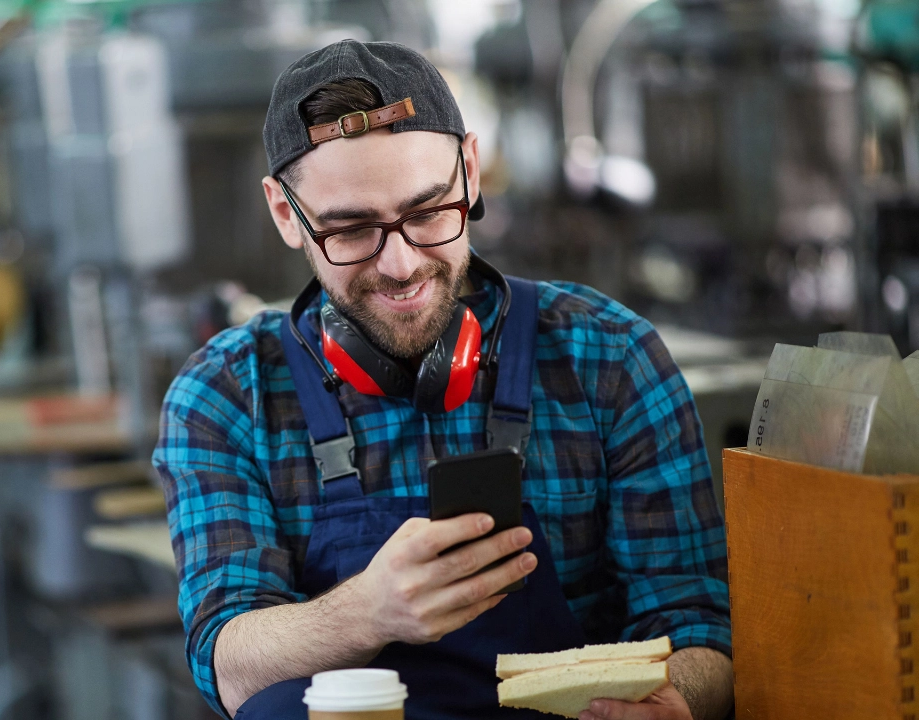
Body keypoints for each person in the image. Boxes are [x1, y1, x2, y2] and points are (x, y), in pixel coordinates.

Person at [154, 40, 733, 720]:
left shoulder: (609, 359)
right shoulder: (226, 396)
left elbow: (701, 632)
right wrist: (365, 614)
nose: (400, 264)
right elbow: (229, 664)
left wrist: (681, 703)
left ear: (470, 170)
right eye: (352, 229)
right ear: (287, 214)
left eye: (428, 212)